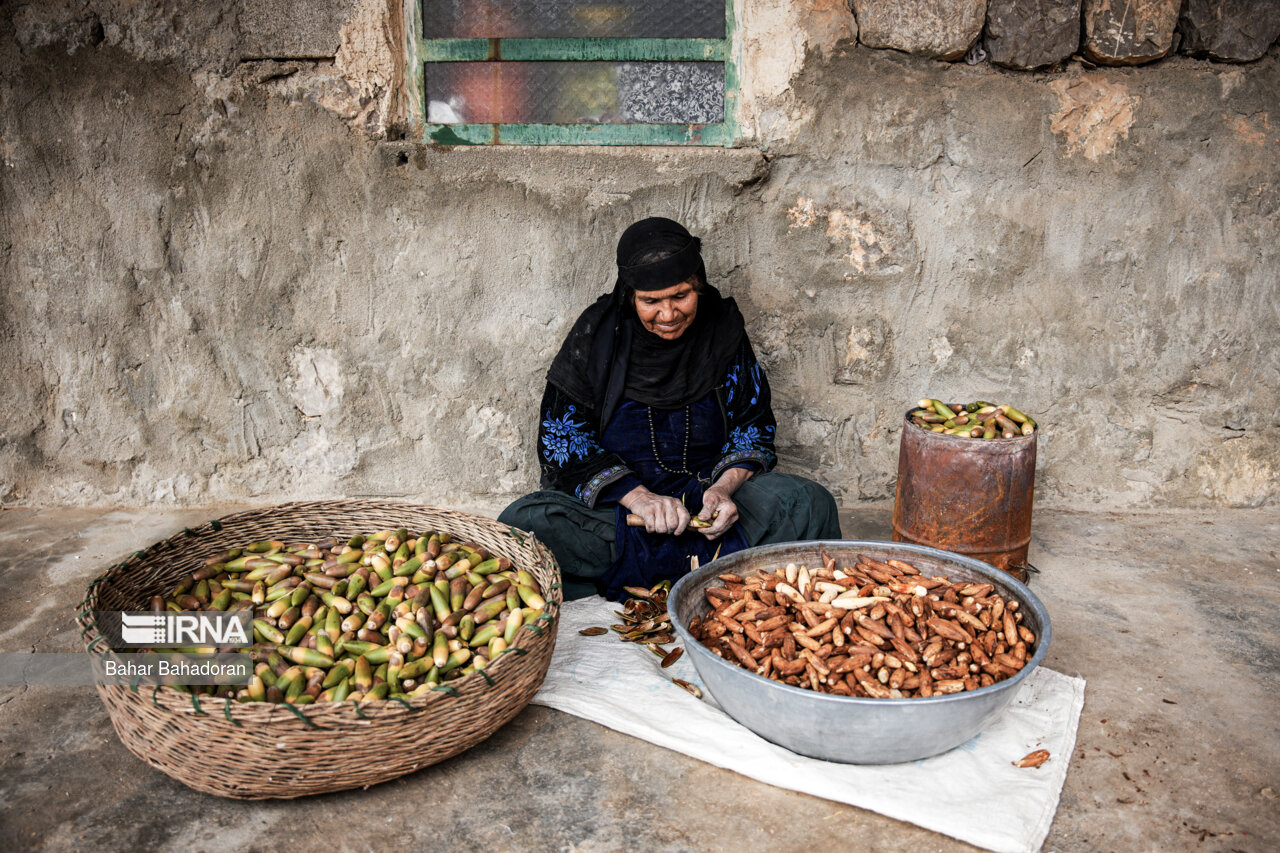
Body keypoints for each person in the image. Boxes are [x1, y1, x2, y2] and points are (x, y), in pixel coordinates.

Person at [499, 217, 841, 600]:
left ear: (699, 284)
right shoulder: (597, 337)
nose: (668, 314)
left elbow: (752, 423)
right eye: (650, 301)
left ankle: (686, 567)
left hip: (713, 516)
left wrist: (724, 490)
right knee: (527, 523)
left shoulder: (722, 331)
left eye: (680, 296)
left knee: (810, 503)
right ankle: (719, 571)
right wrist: (640, 499)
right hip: (625, 519)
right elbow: (563, 439)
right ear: (630, 296)